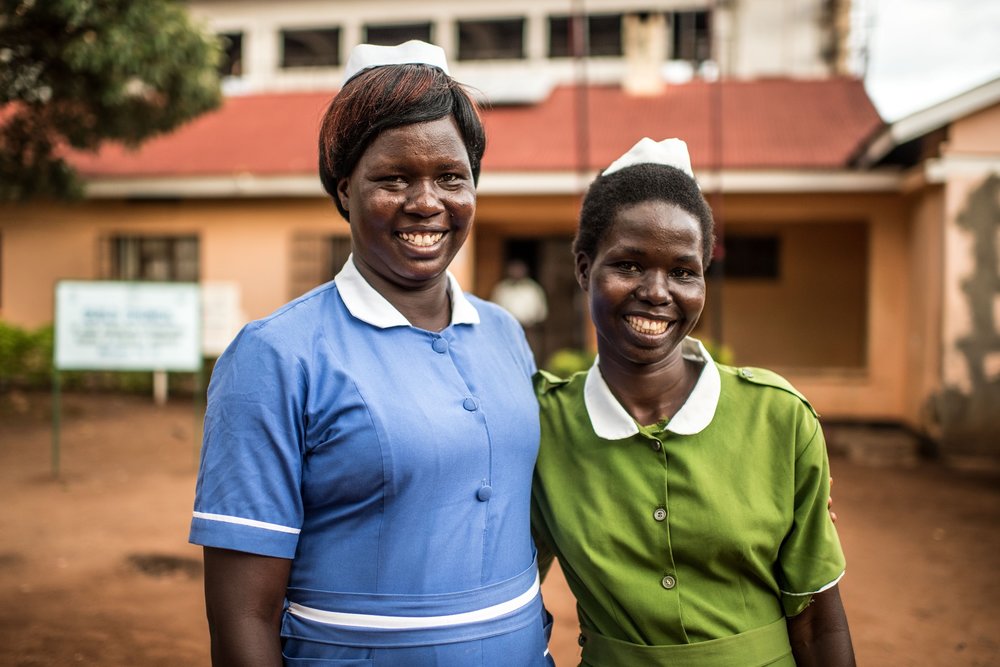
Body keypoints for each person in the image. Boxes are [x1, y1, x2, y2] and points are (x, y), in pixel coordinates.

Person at [189, 41, 553, 666]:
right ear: (343, 190)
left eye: (451, 177)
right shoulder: (276, 357)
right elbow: (242, 616)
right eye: (393, 178)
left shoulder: (503, 335)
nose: (427, 202)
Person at [530, 138, 855, 666]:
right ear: (586, 269)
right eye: (630, 265)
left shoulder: (777, 417)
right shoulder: (541, 422)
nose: (657, 292)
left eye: (683, 271)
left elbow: (817, 616)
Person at [491, 258, 549, 353]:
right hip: (506, 330)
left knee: (530, 355)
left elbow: (541, 313)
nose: (516, 273)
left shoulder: (533, 289)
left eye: (519, 270)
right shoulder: (502, 289)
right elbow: (494, 310)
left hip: (529, 330)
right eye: (514, 270)